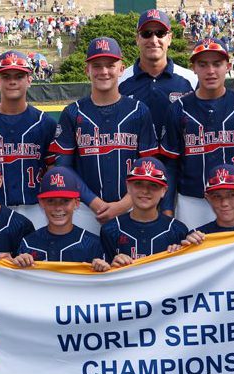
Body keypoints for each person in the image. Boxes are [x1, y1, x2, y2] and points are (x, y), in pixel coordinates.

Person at [48, 37, 158, 235]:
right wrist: (94, 202)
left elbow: (150, 165)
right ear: (87, 70)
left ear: (121, 68)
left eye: (110, 65)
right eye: (97, 66)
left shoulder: (140, 111)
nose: (104, 71)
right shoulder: (73, 113)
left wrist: (125, 204)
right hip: (84, 209)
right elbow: (63, 167)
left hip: (132, 206)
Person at [158, 38, 234, 229]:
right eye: (203, 64)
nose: (210, 71)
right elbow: (171, 166)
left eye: (217, 64)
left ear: (227, 65)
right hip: (193, 201)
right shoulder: (177, 109)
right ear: (193, 67)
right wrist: (167, 212)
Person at [0, 50, 57, 228]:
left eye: (19, 76)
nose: (12, 81)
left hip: (37, 209)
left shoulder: (45, 123)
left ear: (29, 79)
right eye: (6, 76)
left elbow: (53, 168)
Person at [13, 166, 110, 272]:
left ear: (76, 203)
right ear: (41, 203)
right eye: (51, 201)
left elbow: (106, 285)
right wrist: (18, 264)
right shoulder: (28, 243)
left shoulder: (92, 244)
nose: (58, 208)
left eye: (65, 201)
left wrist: (103, 269)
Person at [119, 9, 198, 138]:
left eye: (160, 33)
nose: (154, 40)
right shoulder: (119, 81)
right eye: (146, 33)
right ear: (137, 39)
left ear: (170, 38)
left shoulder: (192, 80)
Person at [100, 157, 188, 267]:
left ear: (164, 191)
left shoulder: (177, 230)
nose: (145, 191)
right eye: (138, 183)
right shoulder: (110, 229)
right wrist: (112, 265)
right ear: (128, 187)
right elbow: (105, 275)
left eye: (153, 185)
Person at [192, 164, 234, 236]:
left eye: (232, 195)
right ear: (208, 198)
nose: (224, 203)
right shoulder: (197, 237)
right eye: (217, 196)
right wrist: (190, 244)